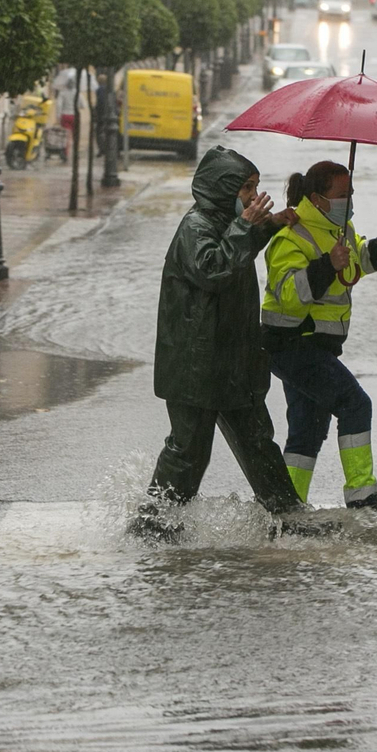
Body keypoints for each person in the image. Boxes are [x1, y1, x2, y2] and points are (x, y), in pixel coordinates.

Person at [132, 146, 307, 539]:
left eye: (256, 187)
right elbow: (215, 268)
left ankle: (291, 519)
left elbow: (234, 248)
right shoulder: (194, 228)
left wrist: (269, 225)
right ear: (223, 188)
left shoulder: (227, 221)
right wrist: (249, 225)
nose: (253, 195)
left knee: (258, 443)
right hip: (198, 368)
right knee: (188, 452)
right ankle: (153, 525)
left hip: (232, 363)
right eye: (247, 187)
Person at [261, 160, 377, 517]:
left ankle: (285, 508)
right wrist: (326, 265)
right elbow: (289, 293)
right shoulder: (292, 236)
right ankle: (363, 497)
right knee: (355, 404)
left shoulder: (339, 229)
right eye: (341, 194)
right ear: (317, 198)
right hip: (293, 345)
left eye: (351, 193)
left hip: (315, 346)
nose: (349, 200)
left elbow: (355, 256)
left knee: (306, 431)